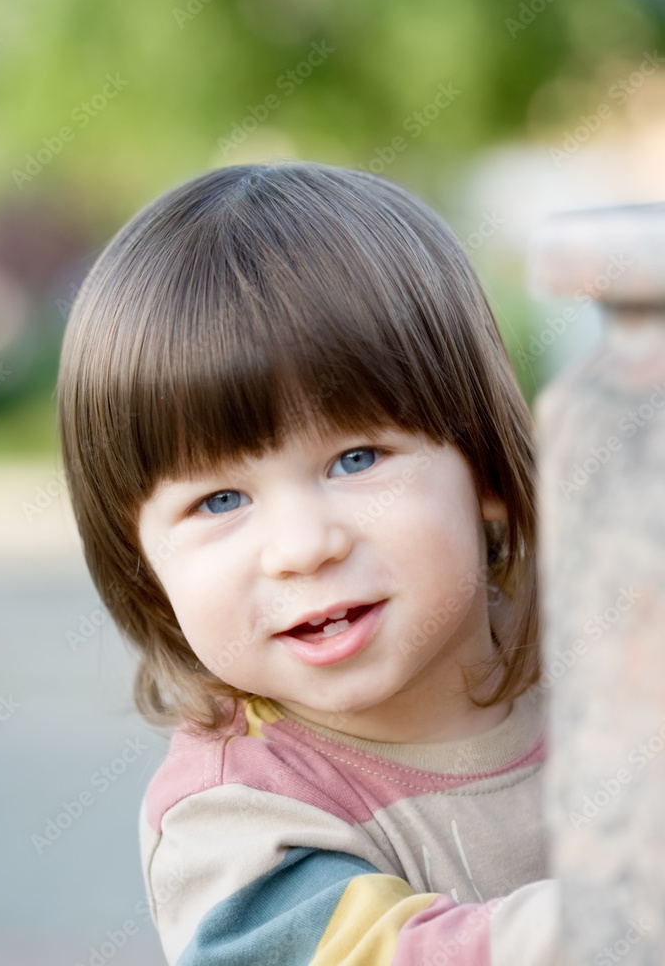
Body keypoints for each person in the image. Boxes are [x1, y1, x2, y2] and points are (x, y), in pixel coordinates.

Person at [57, 161, 558, 964]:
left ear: (487, 472)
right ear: (142, 568)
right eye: (220, 501)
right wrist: (648, 911)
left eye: (357, 459)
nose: (301, 547)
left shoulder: (602, 643)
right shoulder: (233, 818)